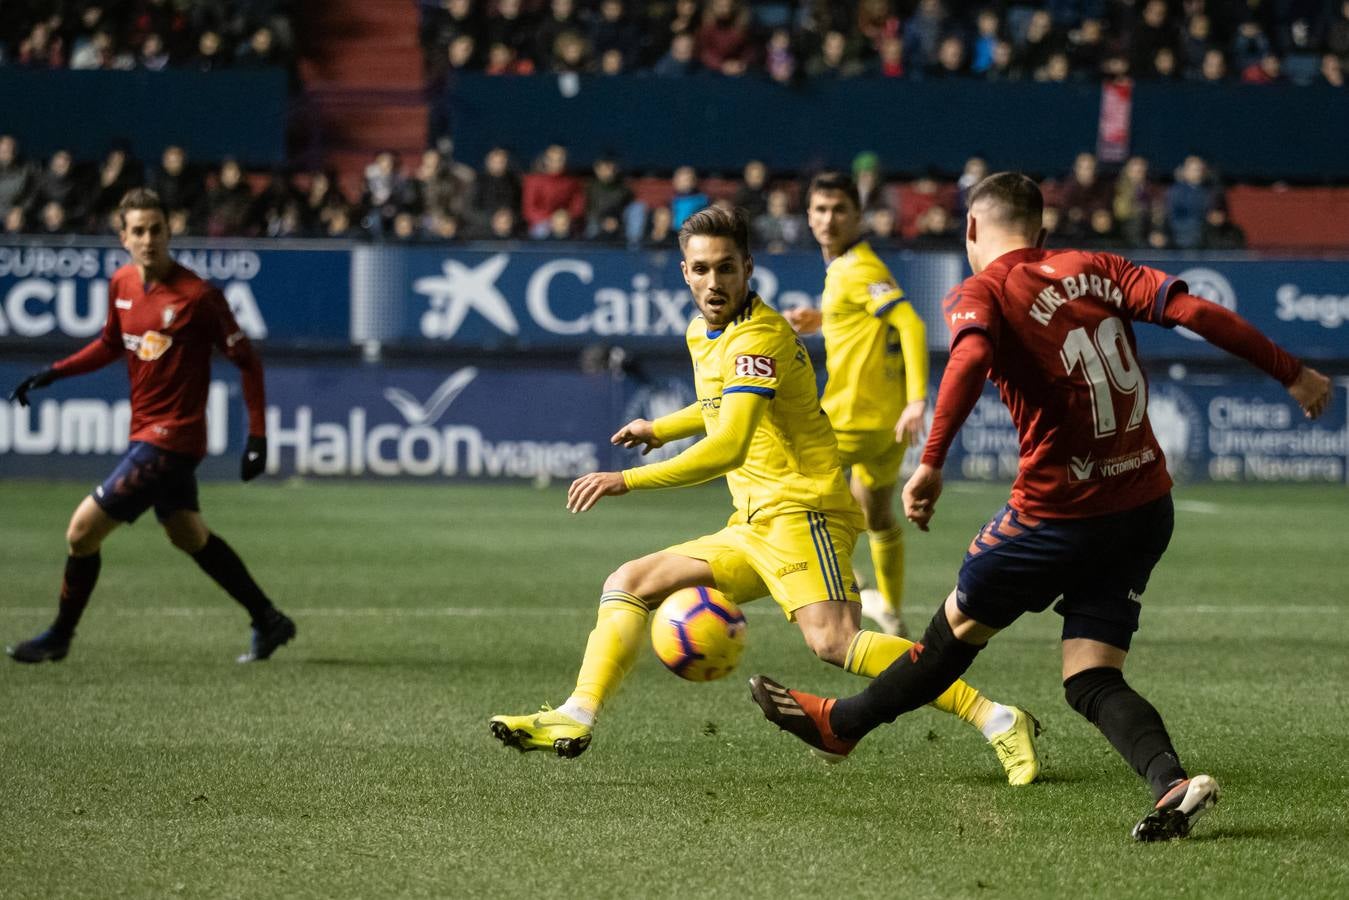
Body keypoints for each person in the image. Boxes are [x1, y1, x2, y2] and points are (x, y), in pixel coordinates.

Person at [750, 172, 1333, 841]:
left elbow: (968, 358)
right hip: (1143, 506)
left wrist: (932, 461)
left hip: (1056, 516)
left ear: (971, 230)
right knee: (1089, 676)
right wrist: (1292, 371)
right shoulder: (1098, 266)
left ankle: (841, 726)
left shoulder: (983, 290)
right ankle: (1170, 783)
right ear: (1042, 231)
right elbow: (1195, 313)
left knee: (953, 634)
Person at [489, 207, 1041, 784]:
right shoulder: (704, 332)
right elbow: (716, 407)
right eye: (701, 269)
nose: (713, 282)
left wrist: (625, 479)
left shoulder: (761, 338)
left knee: (836, 642)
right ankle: (576, 715)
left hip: (806, 513)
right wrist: (661, 427)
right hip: (753, 523)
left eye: (726, 268)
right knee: (627, 583)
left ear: (748, 267)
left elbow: (728, 444)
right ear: (684, 272)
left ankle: (996, 717)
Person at [6, 188, 296, 665]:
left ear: (169, 231)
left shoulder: (198, 296)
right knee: (188, 534)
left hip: (173, 438)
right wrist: (54, 372)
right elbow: (108, 344)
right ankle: (268, 619)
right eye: (137, 231)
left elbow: (248, 362)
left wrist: (258, 435)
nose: (148, 239)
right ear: (122, 237)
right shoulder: (121, 284)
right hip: (147, 432)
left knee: (81, 533)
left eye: (156, 229)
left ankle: (59, 636)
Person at [784, 173, 929, 639]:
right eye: (821, 209)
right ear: (809, 217)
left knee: (786, 497)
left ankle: (841, 585)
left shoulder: (856, 269)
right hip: (885, 426)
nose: (829, 219)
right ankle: (888, 609)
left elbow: (910, 324)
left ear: (858, 216)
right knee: (878, 515)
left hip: (850, 419)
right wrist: (823, 320)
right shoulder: (853, 268)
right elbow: (870, 320)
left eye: (839, 210)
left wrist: (919, 399)